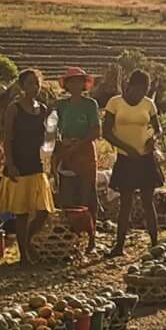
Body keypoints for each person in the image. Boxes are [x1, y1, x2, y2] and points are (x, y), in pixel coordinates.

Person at [0, 67, 52, 265]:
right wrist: (10, 163)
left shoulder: (42, 109)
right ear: (22, 86)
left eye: (37, 83)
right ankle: (24, 256)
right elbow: (8, 138)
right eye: (30, 83)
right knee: (22, 213)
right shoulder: (14, 108)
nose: (34, 87)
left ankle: (27, 241)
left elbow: (47, 137)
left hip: (36, 162)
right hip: (18, 163)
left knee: (44, 210)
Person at [99, 69, 163, 254]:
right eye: (139, 88)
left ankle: (155, 244)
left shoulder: (149, 104)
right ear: (130, 86)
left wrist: (154, 139)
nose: (142, 93)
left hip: (145, 158)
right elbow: (107, 132)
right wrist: (127, 149)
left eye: (145, 89)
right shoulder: (115, 103)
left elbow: (158, 129)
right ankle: (119, 246)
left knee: (147, 202)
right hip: (126, 159)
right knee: (125, 203)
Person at [50, 67, 102, 250]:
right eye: (71, 81)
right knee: (67, 195)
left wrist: (77, 145)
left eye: (79, 81)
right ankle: (72, 238)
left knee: (88, 195)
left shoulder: (90, 104)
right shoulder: (61, 105)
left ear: (84, 84)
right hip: (66, 152)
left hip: (85, 152)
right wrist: (62, 145)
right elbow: (53, 128)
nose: (75, 85)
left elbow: (96, 130)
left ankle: (92, 238)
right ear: (67, 85)